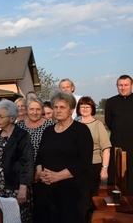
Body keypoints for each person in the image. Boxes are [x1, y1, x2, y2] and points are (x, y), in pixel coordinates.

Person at [34, 90, 93, 223]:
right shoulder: (48, 131)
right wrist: (40, 173)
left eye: (62, 107)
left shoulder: (81, 131)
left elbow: (85, 163)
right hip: (47, 190)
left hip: (71, 191)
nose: (58, 110)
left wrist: (58, 176)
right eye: (55, 107)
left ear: (71, 109)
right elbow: (39, 156)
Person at [0, 100, 34, 222]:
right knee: (2, 218)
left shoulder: (22, 135)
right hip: (0, 186)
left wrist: (23, 188)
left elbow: (27, 162)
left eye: (1, 116)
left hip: (16, 185)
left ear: (12, 118)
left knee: (18, 217)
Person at [76, 96, 111, 218]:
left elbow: (106, 148)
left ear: (92, 108)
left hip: (93, 165)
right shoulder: (74, 125)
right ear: (78, 108)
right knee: (77, 198)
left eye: (88, 106)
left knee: (90, 200)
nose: (85, 109)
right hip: (76, 167)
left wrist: (104, 168)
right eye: (82, 106)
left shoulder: (98, 125)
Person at [105, 74, 133, 195]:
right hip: (116, 142)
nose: (123, 87)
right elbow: (108, 121)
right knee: (115, 172)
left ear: (131, 85)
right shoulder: (111, 102)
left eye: (126, 85)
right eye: (120, 85)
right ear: (117, 86)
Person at [17, 97, 54, 165]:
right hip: (22, 169)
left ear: (42, 110)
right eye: (31, 109)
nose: (35, 112)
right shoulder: (18, 126)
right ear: (26, 110)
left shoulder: (50, 126)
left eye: (38, 109)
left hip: (44, 169)